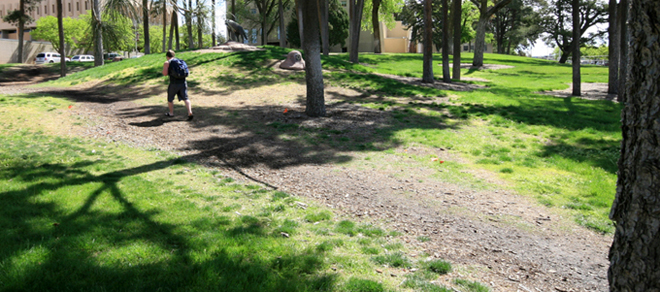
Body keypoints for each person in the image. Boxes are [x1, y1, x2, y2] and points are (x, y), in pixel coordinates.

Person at [162, 50, 193, 120]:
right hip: (183, 82)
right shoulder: (181, 61)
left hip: (174, 83)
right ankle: (189, 112)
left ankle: (171, 113)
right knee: (186, 98)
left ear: (167, 56)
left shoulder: (167, 62)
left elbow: (165, 73)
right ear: (174, 55)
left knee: (170, 99)